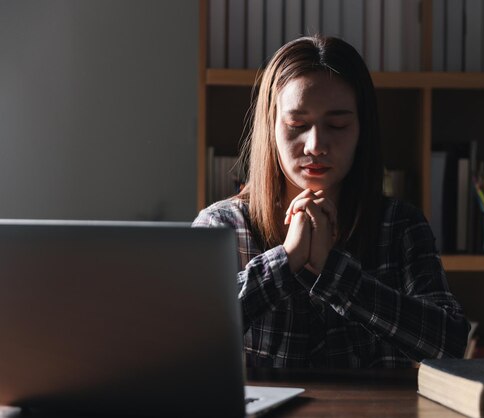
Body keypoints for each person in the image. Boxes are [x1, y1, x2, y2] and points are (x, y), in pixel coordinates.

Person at [193, 35, 469, 367]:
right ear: (271, 127)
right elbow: (182, 335)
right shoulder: (224, 225)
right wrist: (286, 259)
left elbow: (449, 343)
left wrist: (335, 273)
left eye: (337, 125)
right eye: (297, 125)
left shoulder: (399, 225)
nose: (316, 145)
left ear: (361, 129)